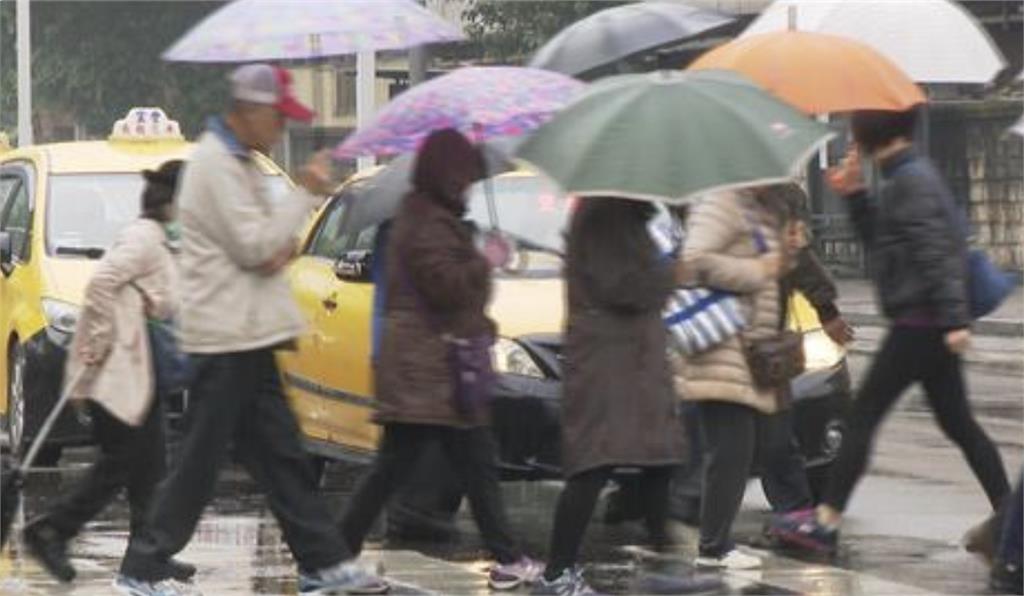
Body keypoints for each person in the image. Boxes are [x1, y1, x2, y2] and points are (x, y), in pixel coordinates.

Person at [116, 64, 387, 596]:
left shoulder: (239, 164)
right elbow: (260, 248)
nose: (282, 128)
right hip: (227, 335)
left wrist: (281, 230)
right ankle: (143, 564)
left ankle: (322, 562)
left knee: (282, 458)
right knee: (199, 461)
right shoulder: (216, 165)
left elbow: (272, 248)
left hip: (250, 332)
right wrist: (304, 192)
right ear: (254, 110)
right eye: (280, 117)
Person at [772, 107, 1010, 553]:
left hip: (921, 324)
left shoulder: (912, 180)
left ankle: (826, 522)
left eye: (856, 128)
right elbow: (886, 251)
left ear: (870, 129)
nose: (851, 138)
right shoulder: (905, 176)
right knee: (959, 424)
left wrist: (956, 320)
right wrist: (857, 195)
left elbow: (937, 253)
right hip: (928, 323)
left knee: (864, 417)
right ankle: (1012, 522)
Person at [336, 128, 542, 592]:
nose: (470, 185)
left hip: (437, 367)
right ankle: (332, 559)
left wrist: (479, 258)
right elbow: (447, 287)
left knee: (469, 464)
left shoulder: (438, 219)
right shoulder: (424, 223)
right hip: (427, 367)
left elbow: (465, 293)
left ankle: (507, 555)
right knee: (404, 467)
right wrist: (482, 261)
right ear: (446, 175)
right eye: (464, 175)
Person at [534, 197, 714, 596]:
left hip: (631, 358)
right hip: (608, 361)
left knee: (659, 459)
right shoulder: (604, 214)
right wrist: (670, 271)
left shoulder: (626, 216)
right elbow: (623, 285)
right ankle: (556, 573)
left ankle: (664, 563)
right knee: (594, 465)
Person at [22, 160, 189, 585]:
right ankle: (51, 532)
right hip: (116, 373)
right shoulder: (144, 239)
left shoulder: (163, 240)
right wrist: (94, 344)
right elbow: (100, 285)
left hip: (140, 374)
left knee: (150, 468)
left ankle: (147, 554)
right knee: (121, 465)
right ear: (175, 201)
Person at [675, 187, 790, 571]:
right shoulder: (721, 201)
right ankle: (713, 547)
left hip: (746, 351)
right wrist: (758, 271)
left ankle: (716, 542)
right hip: (722, 347)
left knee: (741, 450)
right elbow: (693, 261)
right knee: (731, 451)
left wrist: (785, 252)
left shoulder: (755, 204)